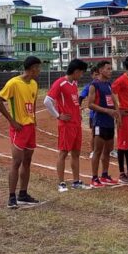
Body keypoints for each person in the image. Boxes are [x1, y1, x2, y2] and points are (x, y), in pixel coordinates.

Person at [0, 56, 43, 209]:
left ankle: (23, 193)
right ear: (31, 68)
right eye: (38, 68)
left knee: (27, 161)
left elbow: (33, 102)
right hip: (19, 128)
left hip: (30, 128)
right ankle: (11, 196)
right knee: (16, 162)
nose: (39, 71)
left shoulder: (34, 84)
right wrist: (12, 121)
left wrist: (34, 117)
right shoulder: (14, 83)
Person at [45, 59, 91, 192]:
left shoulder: (74, 83)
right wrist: (58, 115)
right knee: (63, 153)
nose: (82, 75)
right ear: (76, 71)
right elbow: (47, 101)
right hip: (66, 125)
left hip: (77, 123)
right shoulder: (60, 83)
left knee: (76, 153)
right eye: (81, 72)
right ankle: (61, 183)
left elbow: (73, 101)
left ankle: (76, 181)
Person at [86, 61, 120, 187]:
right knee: (97, 151)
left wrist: (117, 114)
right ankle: (94, 178)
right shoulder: (94, 85)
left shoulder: (108, 84)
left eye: (111, 69)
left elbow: (114, 100)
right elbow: (90, 104)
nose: (110, 71)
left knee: (108, 150)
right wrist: (107, 111)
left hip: (110, 122)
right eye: (108, 69)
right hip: (99, 122)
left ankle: (105, 175)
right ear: (101, 71)